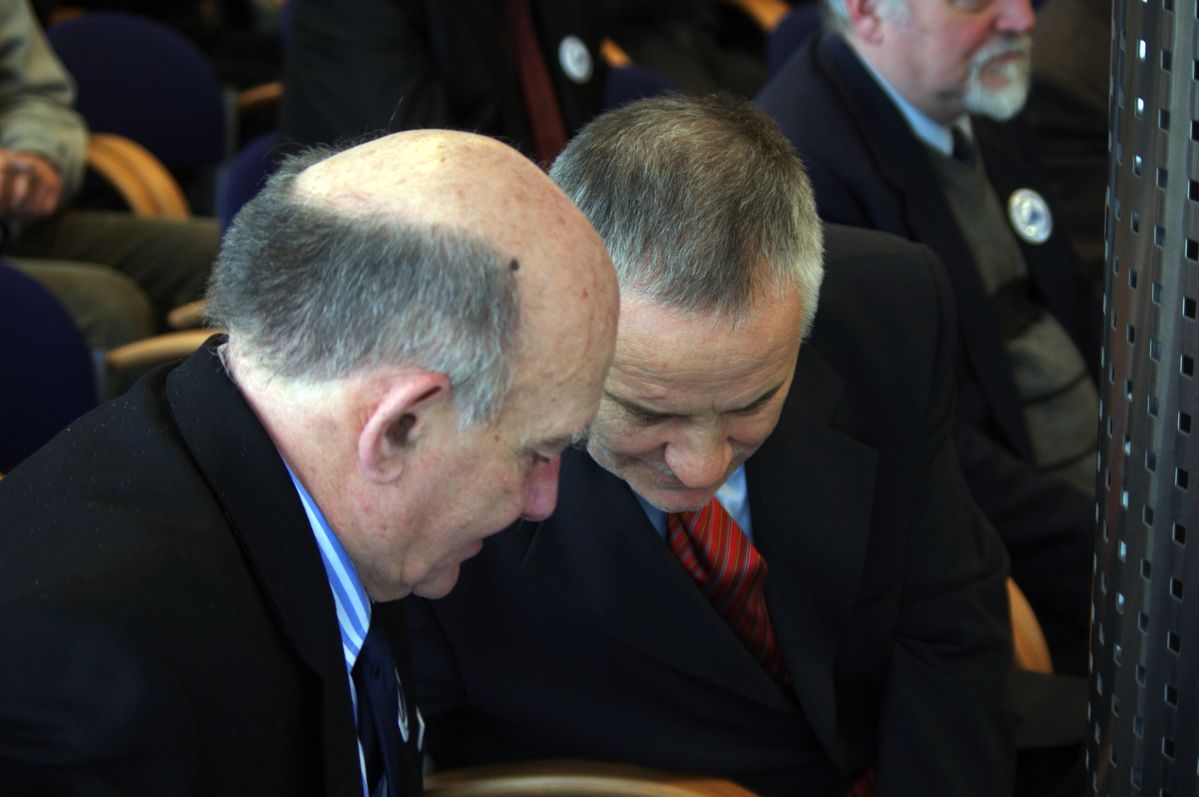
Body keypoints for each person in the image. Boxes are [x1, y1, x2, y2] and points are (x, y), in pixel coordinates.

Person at [409, 94, 1015, 796]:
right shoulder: (439, 466)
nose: (700, 466)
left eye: (750, 403)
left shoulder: (889, 309)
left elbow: (947, 616)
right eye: (647, 410)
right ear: (558, 334)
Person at [0, 129, 619, 794]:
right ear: (398, 428)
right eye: (536, 452)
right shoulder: (89, 678)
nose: (543, 499)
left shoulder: (321, 485)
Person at [755, 0, 1098, 674]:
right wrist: (1124, 546)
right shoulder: (806, 178)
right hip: (1011, 580)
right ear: (867, 13)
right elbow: (931, 451)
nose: (1022, 19)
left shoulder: (974, 90)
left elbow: (1076, 306)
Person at [1, 0, 219, 351]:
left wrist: (34, 154)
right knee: (109, 309)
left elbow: (34, 98)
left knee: (236, 256)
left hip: (17, 222)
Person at [281, 0, 605, 166]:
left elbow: (585, 125)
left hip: (548, 233)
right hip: (400, 253)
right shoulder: (355, 8)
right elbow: (423, 175)